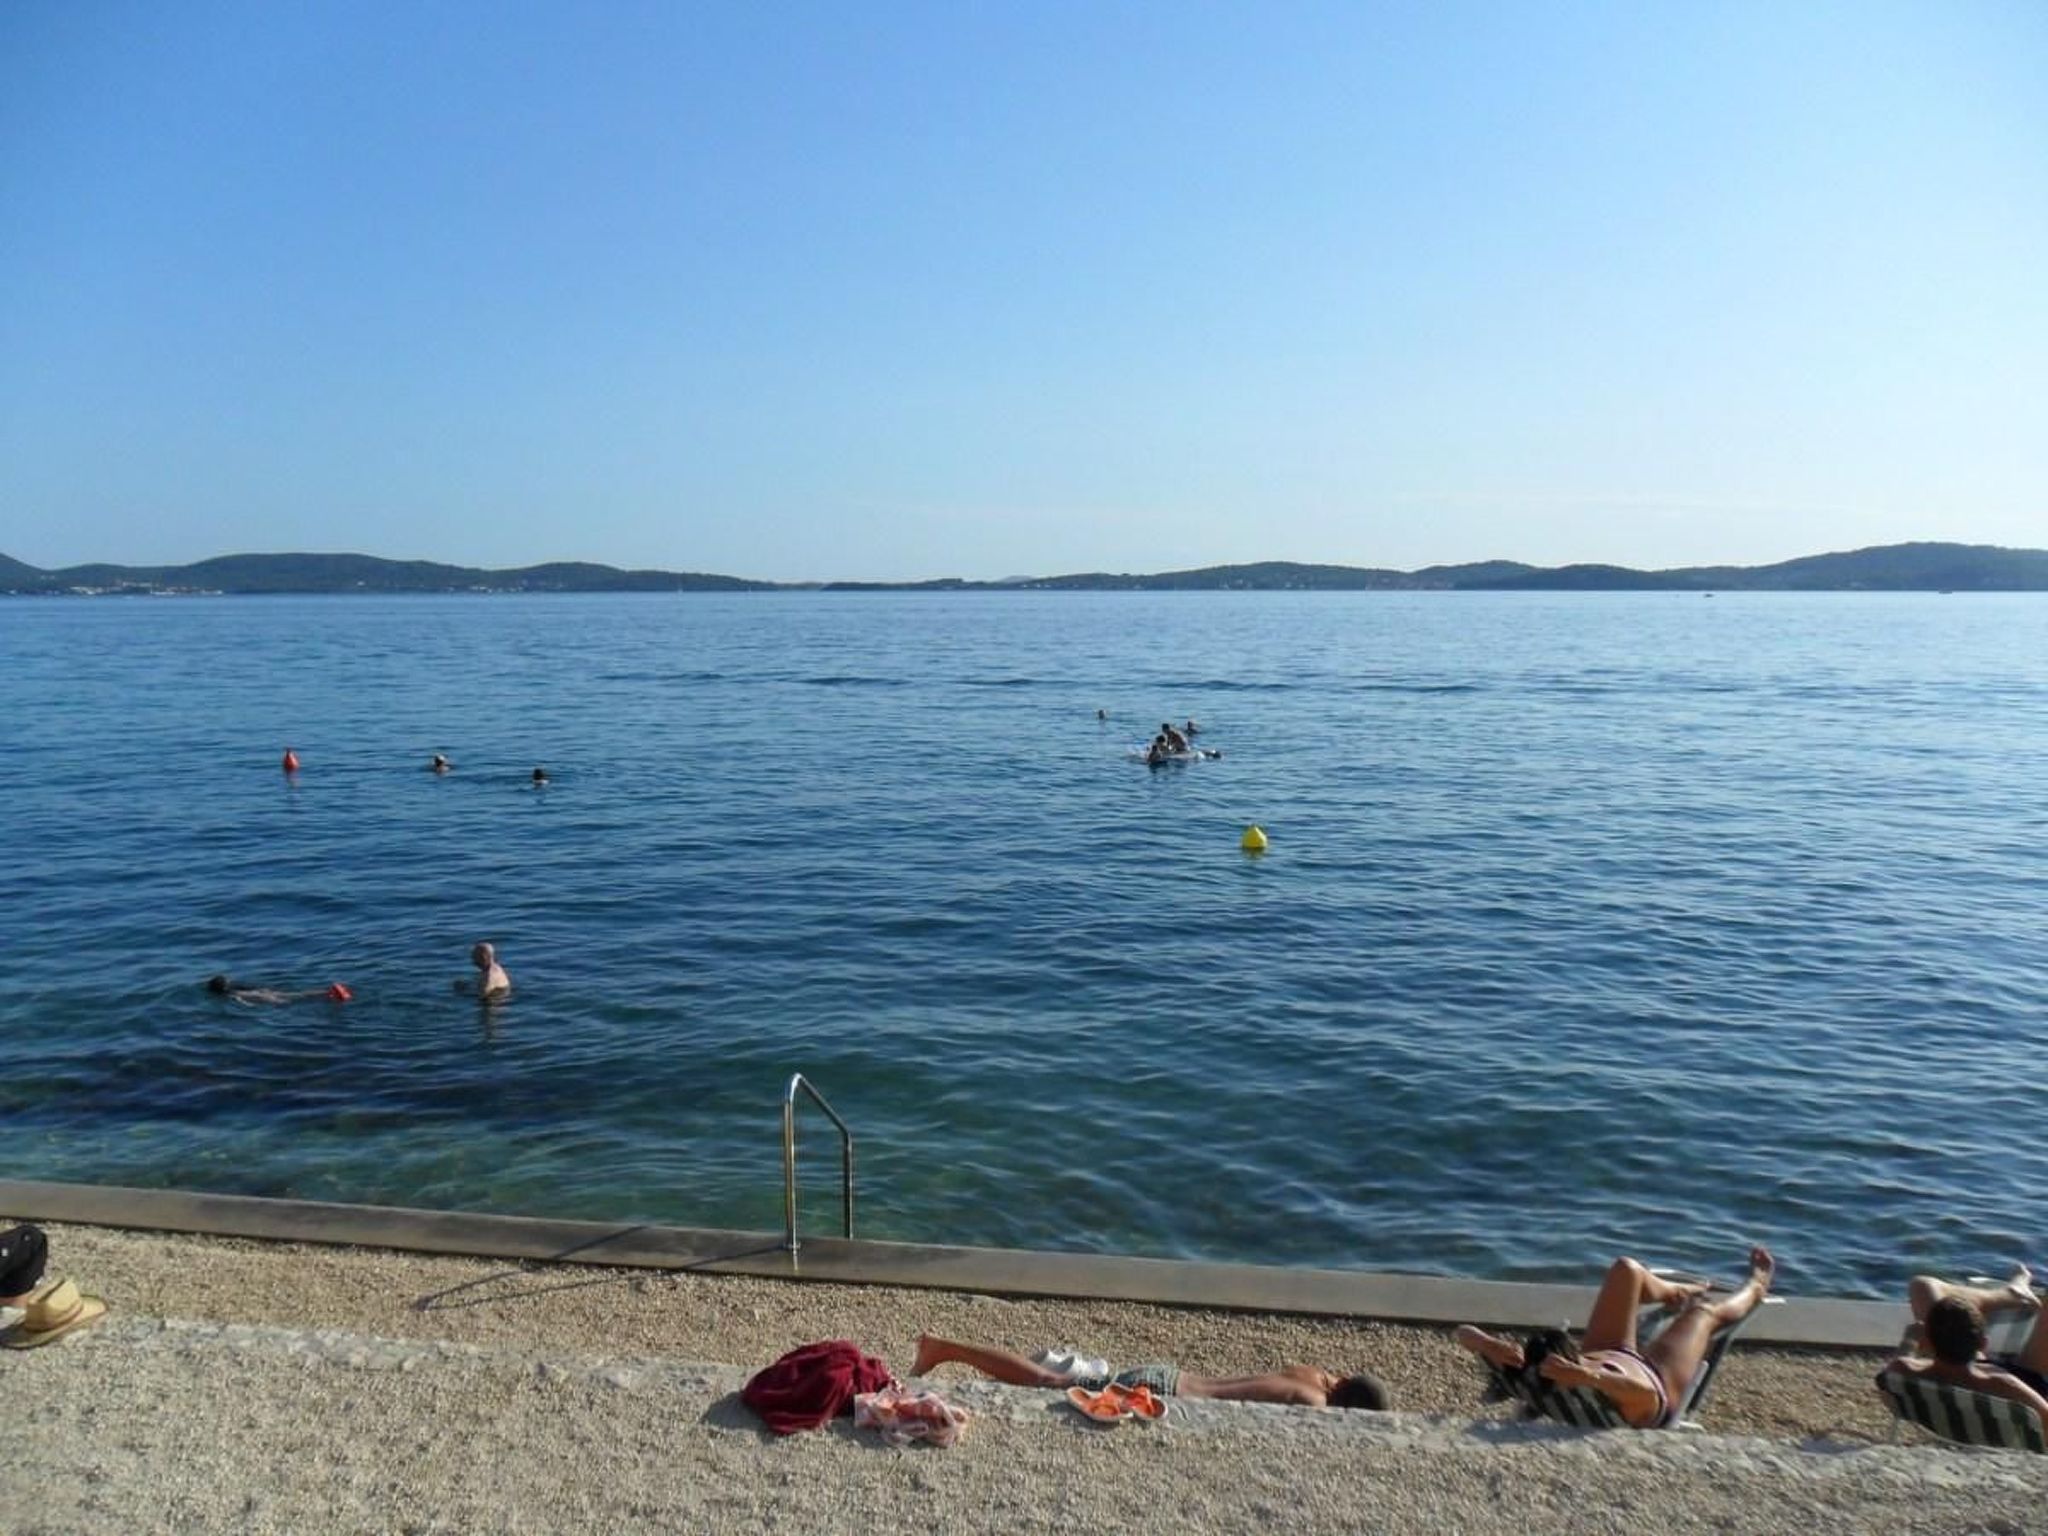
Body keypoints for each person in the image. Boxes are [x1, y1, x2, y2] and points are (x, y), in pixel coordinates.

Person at [1453, 1247, 1775, 1428]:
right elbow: (1648, 1394)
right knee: (1703, 1313)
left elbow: (1461, 1333)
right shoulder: (1613, 1396)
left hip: (1607, 1353)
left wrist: (1486, 1343)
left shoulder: (1536, 1375)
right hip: (1658, 1375)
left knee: (1625, 1270)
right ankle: (1756, 1286)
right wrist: (1587, 1374)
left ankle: (1674, 1293)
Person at [909, 1333, 1389, 1410]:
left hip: (1169, 1376)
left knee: (1049, 1381)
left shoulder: (1310, 1374)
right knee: (1045, 1383)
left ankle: (945, 1348)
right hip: (1158, 1391)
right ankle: (942, 1348)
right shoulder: (1314, 1403)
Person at [1883, 1265, 2047, 1434]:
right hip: (2021, 1386)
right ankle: (2014, 1292)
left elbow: (1889, 1396)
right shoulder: (2004, 1385)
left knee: (1922, 1286)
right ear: (1983, 1343)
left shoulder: (1902, 1373)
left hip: (1964, 1379)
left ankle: (2011, 1294)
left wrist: (1909, 1341)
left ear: (1927, 1343)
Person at [206, 974, 351, 1005]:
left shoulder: (230, 994)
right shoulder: (235, 987)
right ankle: (326, 992)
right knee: (296, 994)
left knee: (290, 1000)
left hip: (259, 996)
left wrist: (250, 1006)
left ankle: (329, 995)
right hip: (263, 991)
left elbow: (241, 1000)